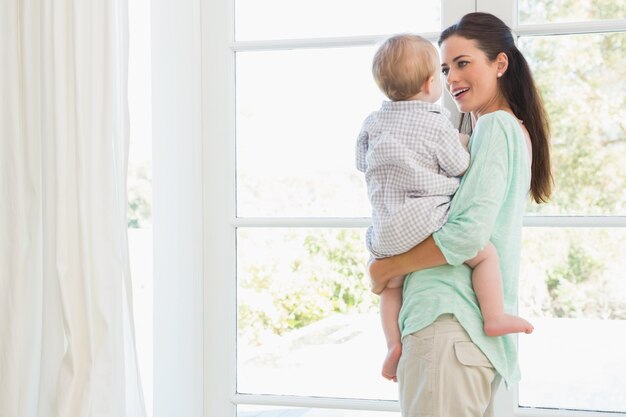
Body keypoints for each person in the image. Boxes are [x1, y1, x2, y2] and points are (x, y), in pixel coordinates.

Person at [368, 13, 553, 416]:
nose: (452, 78)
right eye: (446, 68)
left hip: (446, 324)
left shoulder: (495, 127)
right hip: (461, 335)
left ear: (500, 64)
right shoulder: (501, 130)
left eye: (463, 63)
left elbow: (466, 235)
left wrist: (386, 269)